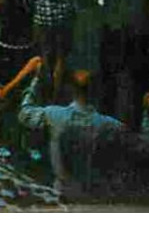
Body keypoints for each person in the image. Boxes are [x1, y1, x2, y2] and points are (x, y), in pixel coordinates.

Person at [17, 69, 124, 201]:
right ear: (97, 91)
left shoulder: (53, 115)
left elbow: (24, 113)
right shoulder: (111, 126)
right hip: (96, 198)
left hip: (63, 197)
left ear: (70, 90)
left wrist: (35, 82)